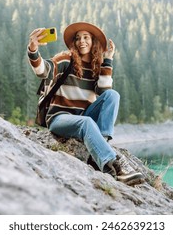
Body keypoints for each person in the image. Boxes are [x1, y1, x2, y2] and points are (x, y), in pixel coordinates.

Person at [27, 22, 144, 186]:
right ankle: (114, 165)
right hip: (59, 118)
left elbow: (104, 92)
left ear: (93, 41)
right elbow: (43, 70)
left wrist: (108, 59)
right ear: (74, 43)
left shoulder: (96, 67)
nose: (81, 41)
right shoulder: (65, 59)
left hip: (82, 118)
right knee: (86, 122)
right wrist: (33, 49)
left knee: (113, 95)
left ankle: (99, 150)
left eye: (86, 37)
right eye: (78, 38)